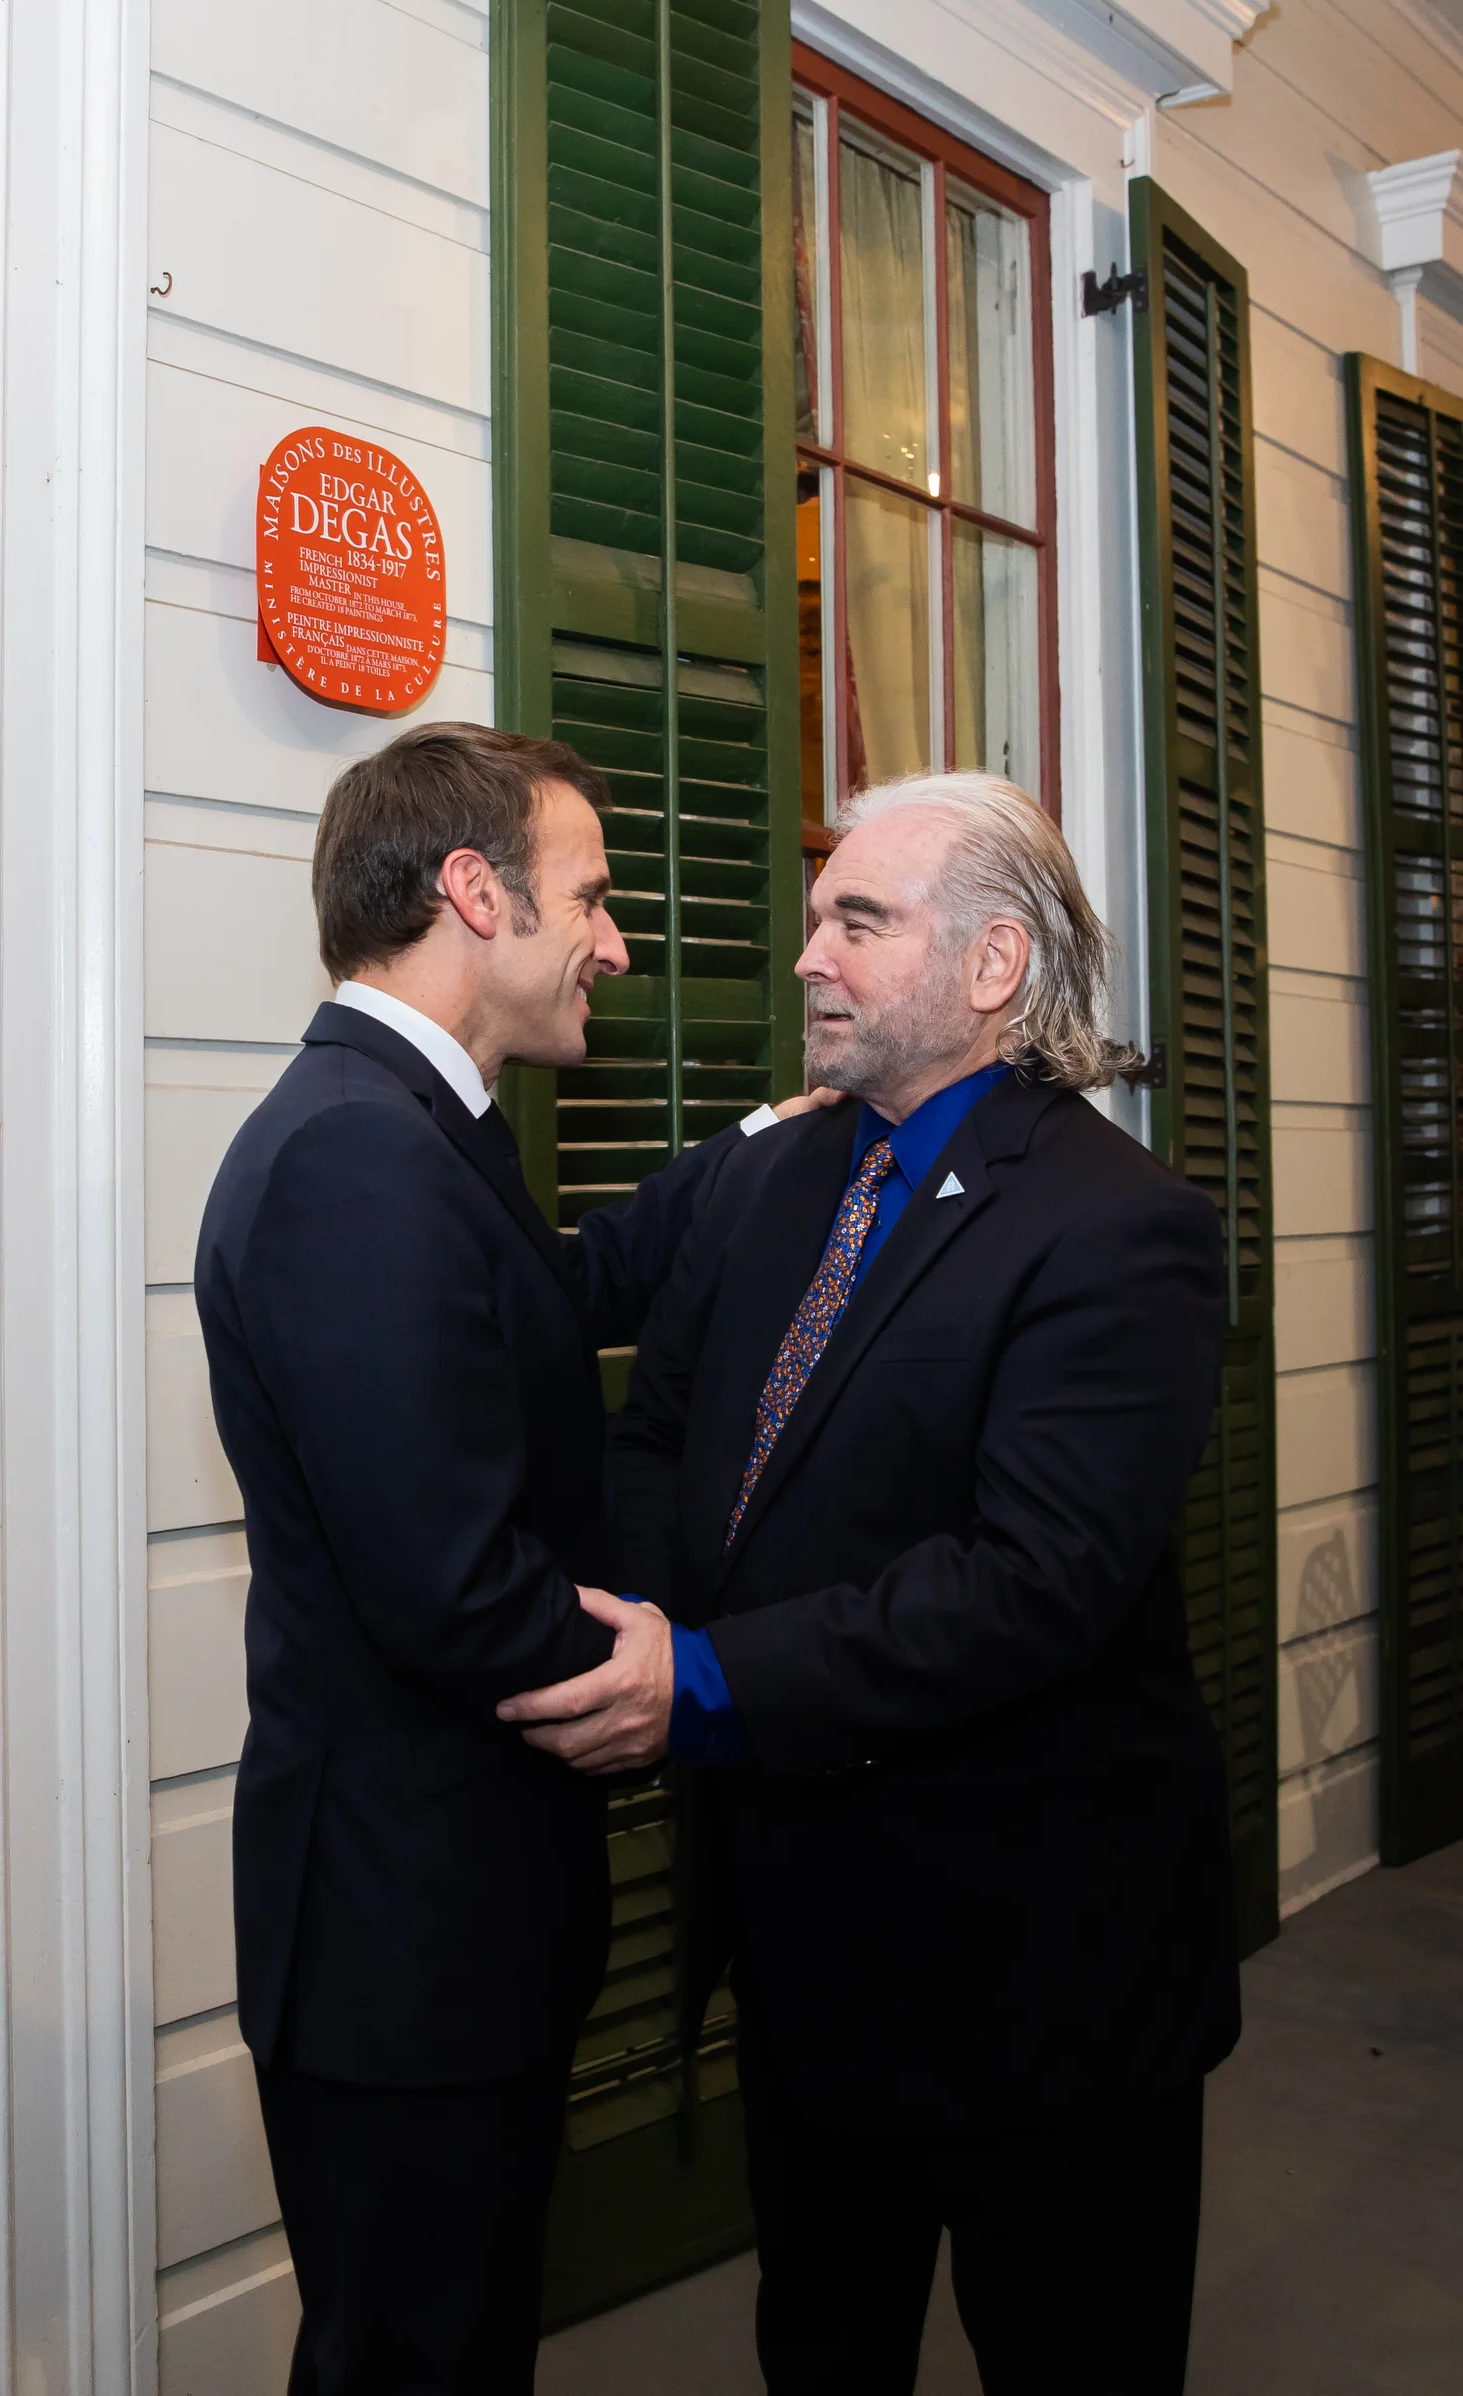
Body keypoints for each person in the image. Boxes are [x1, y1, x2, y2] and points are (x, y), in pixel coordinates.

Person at [499, 770, 1240, 2396]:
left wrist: (700, 1680)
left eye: (858, 921)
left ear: (989, 969)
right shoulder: (768, 1184)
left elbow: (1032, 1582)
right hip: (800, 1951)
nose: (807, 960)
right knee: (821, 2350)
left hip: (1039, 1975)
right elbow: (663, 1435)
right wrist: (645, 1617)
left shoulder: (1123, 1233)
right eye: (814, 919)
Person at [194, 722, 821, 2396]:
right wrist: (703, 1674)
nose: (616, 941)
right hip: (410, 1935)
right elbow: (451, 1590)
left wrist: (781, 1134)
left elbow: (563, 1285)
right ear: (474, 892)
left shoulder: (405, 1124)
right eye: (592, 897)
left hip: (440, 1916)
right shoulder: (354, 1157)